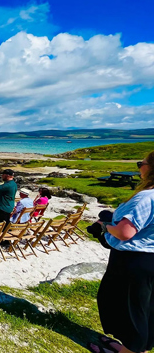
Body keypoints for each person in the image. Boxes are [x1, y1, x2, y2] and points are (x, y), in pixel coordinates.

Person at [91, 151, 154, 353]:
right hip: (150, 256)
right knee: (145, 308)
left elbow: (125, 232)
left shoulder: (146, 197)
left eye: (140, 163)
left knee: (129, 310)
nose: (139, 167)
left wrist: (105, 225)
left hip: (134, 259)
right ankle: (131, 348)